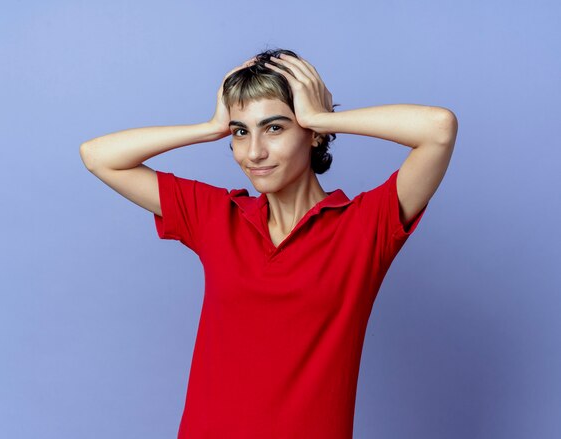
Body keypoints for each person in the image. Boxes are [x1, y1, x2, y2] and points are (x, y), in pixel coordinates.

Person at [79, 48, 458, 439]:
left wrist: (321, 118)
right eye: (241, 132)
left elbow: (439, 129)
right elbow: (98, 156)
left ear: (313, 135)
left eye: (274, 128)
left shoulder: (365, 226)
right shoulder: (217, 216)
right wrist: (210, 127)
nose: (253, 152)